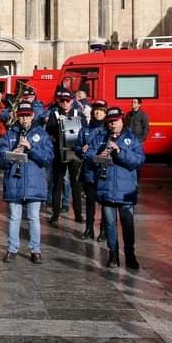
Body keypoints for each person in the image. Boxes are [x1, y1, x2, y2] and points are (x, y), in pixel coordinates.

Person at [85, 107, 144, 269]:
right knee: (110, 224)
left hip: (125, 191)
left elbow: (138, 160)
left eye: (115, 121)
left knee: (127, 224)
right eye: (110, 122)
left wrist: (120, 151)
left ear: (122, 120)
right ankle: (113, 255)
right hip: (106, 188)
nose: (112, 124)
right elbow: (89, 156)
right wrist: (100, 155)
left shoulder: (131, 138)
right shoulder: (101, 138)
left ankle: (130, 255)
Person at [0, 100, 53, 264]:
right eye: (21, 116)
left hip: (34, 182)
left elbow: (48, 158)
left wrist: (31, 148)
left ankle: (35, 250)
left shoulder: (41, 134)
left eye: (27, 116)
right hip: (15, 180)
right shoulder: (10, 134)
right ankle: (12, 249)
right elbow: (0, 158)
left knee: (34, 217)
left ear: (32, 115)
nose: (24, 119)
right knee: (14, 217)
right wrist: (11, 154)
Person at [44, 88, 86, 225]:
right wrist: (54, 136)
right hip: (59, 153)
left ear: (72, 101)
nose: (64, 103)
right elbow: (48, 132)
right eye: (62, 101)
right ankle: (55, 213)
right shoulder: (54, 114)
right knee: (57, 183)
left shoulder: (78, 114)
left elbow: (84, 131)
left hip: (74, 153)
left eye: (67, 101)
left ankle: (78, 214)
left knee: (76, 184)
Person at [75, 99, 108, 240]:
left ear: (105, 112)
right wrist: (81, 149)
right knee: (90, 202)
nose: (98, 112)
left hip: (104, 172)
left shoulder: (108, 130)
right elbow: (76, 147)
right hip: (89, 170)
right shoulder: (85, 129)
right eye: (95, 109)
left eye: (101, 110)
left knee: (105, 202)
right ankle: (89, 229)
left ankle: (104, 231)